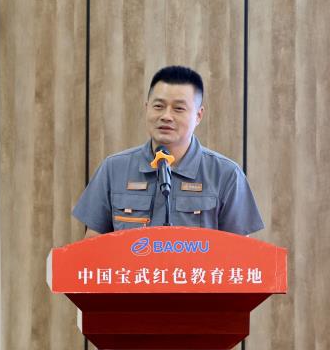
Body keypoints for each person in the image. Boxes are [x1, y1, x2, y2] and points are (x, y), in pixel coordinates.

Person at [73, 65, 264, 238]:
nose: (166, 116)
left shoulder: (226, 174)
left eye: (178, 108)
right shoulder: (114, 169)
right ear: (146, 108)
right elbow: (92, 245)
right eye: (159, 106)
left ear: (198, 115)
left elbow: (240, 254)